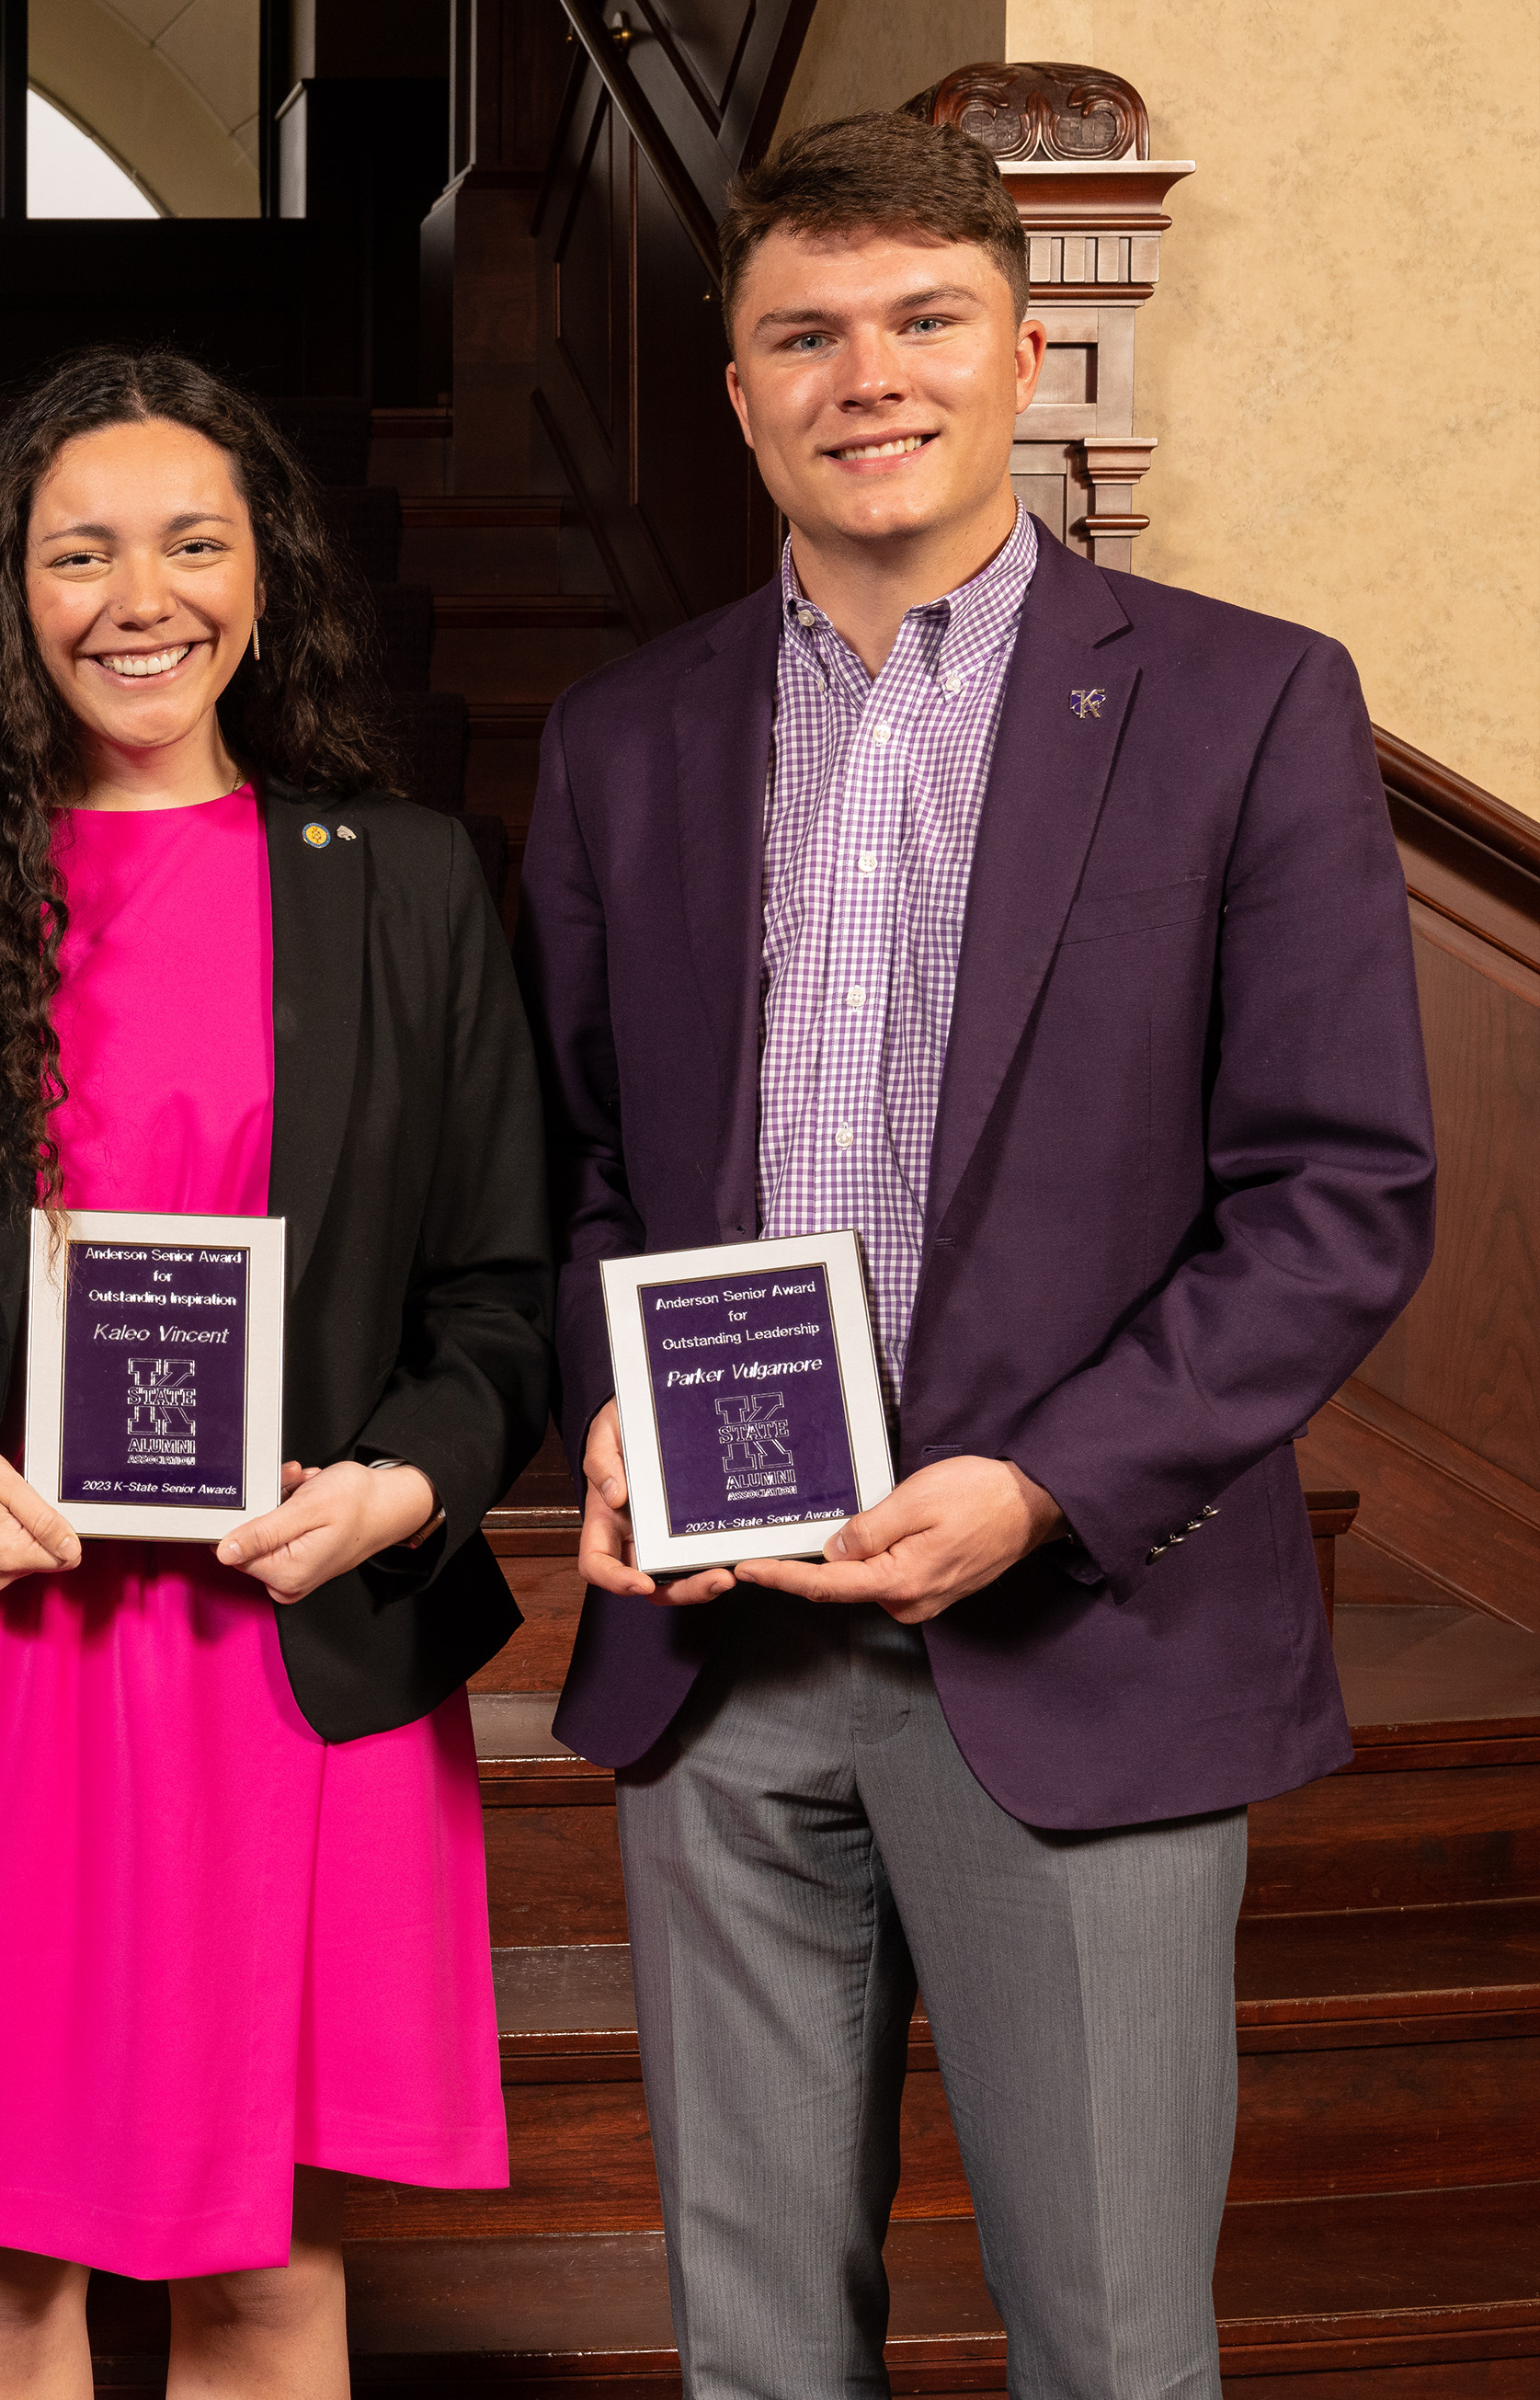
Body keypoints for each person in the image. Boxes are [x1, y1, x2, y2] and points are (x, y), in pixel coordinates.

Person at [519, 110, 1435, 2395]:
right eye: (801, 336)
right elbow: (574, 1166)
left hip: (1080, 1633)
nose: (869, 376)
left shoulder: (1247, 703)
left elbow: (1338, 1190)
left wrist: (1039, 1488)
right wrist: (607, 1407)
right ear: (733, 394)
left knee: (1111, 2347)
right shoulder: (624, 740)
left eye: (923, 320)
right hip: (715, 1673)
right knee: (755, 2350)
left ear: (1023, 352)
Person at [0, 345, 550, 2393]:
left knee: (265, 2267)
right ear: (7, 595)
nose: (141, 596)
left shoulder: (414, 891)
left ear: (261, 574)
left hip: (281, 1657)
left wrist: (393, 1489)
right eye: (80, 550)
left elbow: (495, 1299)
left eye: (193, 543)